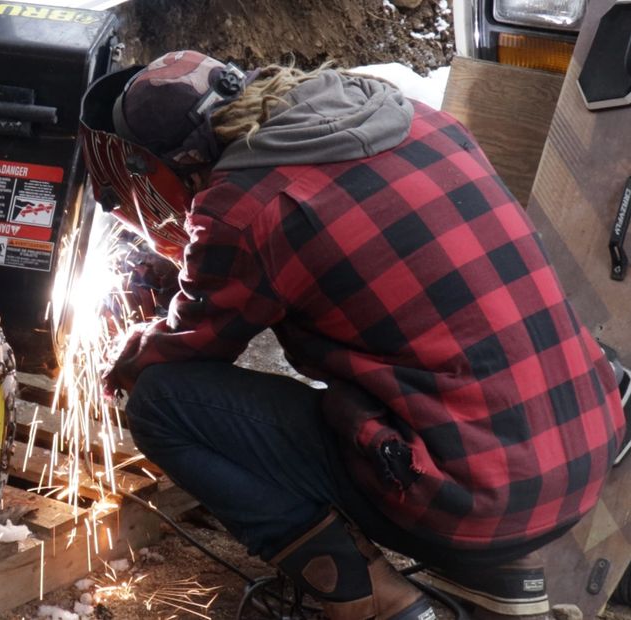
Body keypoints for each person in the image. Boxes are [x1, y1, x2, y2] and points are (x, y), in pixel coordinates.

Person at [78, 51, 626, 620]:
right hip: (585, 445)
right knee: (416, 372)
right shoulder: (412, 118)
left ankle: (374, 603)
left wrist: (135, 348)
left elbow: (189, 345)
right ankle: (497, 577)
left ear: (172, 162)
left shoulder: (248, 205)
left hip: (473, 500)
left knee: (164, 403)